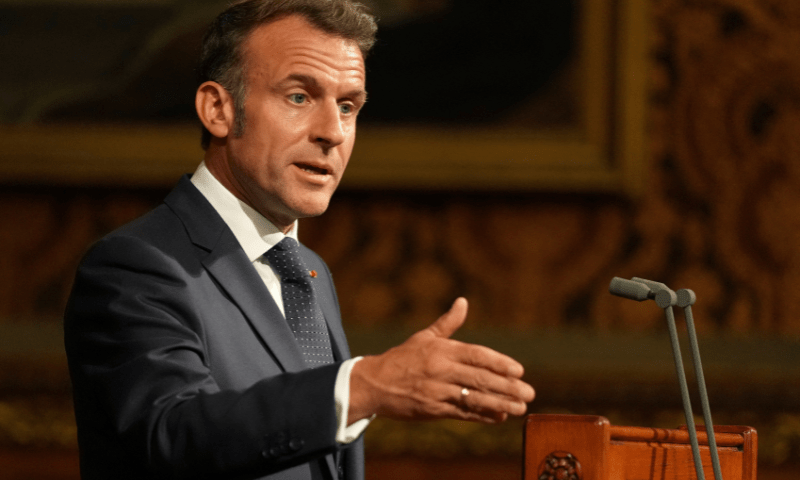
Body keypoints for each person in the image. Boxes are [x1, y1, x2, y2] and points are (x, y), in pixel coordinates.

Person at [63, 1, 535, 479]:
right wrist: (365, 385)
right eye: (299, 97)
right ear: (218, 109)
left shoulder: (305, 268)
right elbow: (174, 433)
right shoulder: (137, 265)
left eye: (348, 106)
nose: (332, 132)